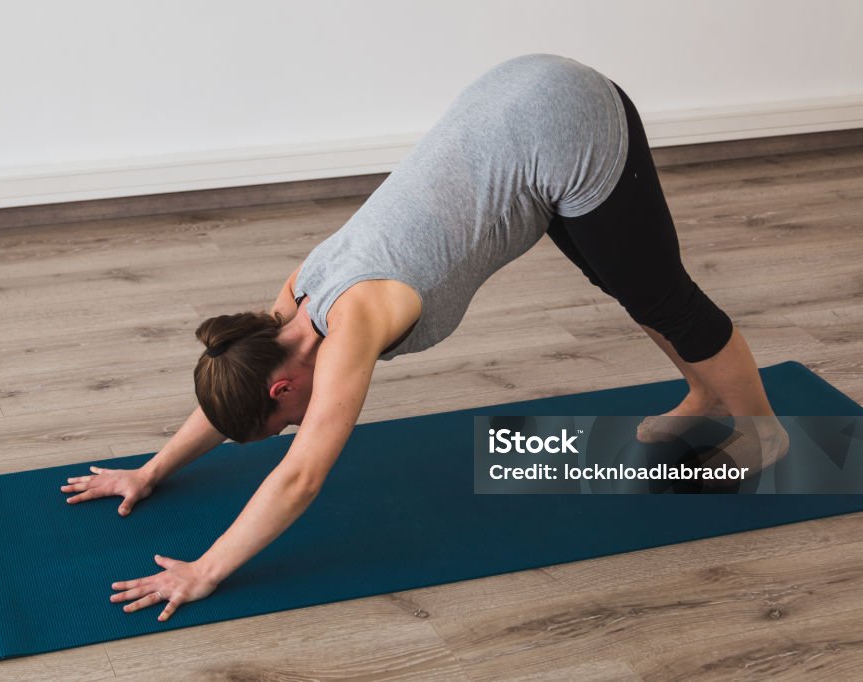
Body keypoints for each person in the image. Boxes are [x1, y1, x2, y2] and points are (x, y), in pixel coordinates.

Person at [60, 53, 790, 621]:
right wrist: (152, 470)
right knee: (632, 288)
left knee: (664, 297)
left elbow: (303, 475)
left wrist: (204, 569)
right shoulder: (284, 311)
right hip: (515, 112)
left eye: (283, 420)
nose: (294, 428)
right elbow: (232, 387)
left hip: (568, 118)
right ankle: (704, 390)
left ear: (284, 386)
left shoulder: (349, 322)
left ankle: (763, 437)